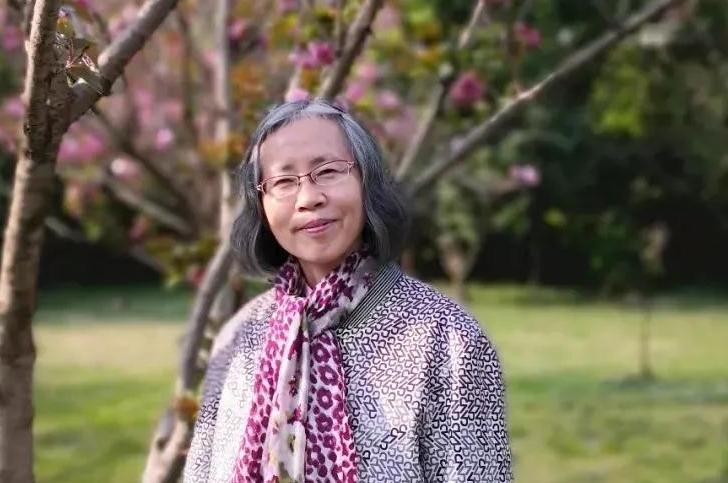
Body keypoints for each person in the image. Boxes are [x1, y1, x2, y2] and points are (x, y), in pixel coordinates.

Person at [183, 99, 512, 483]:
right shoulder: (239, 337)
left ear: (367, 182)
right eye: (284, 181)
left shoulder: (448, 341)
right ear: (262, 206)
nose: (308, 198)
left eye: (328, 171)